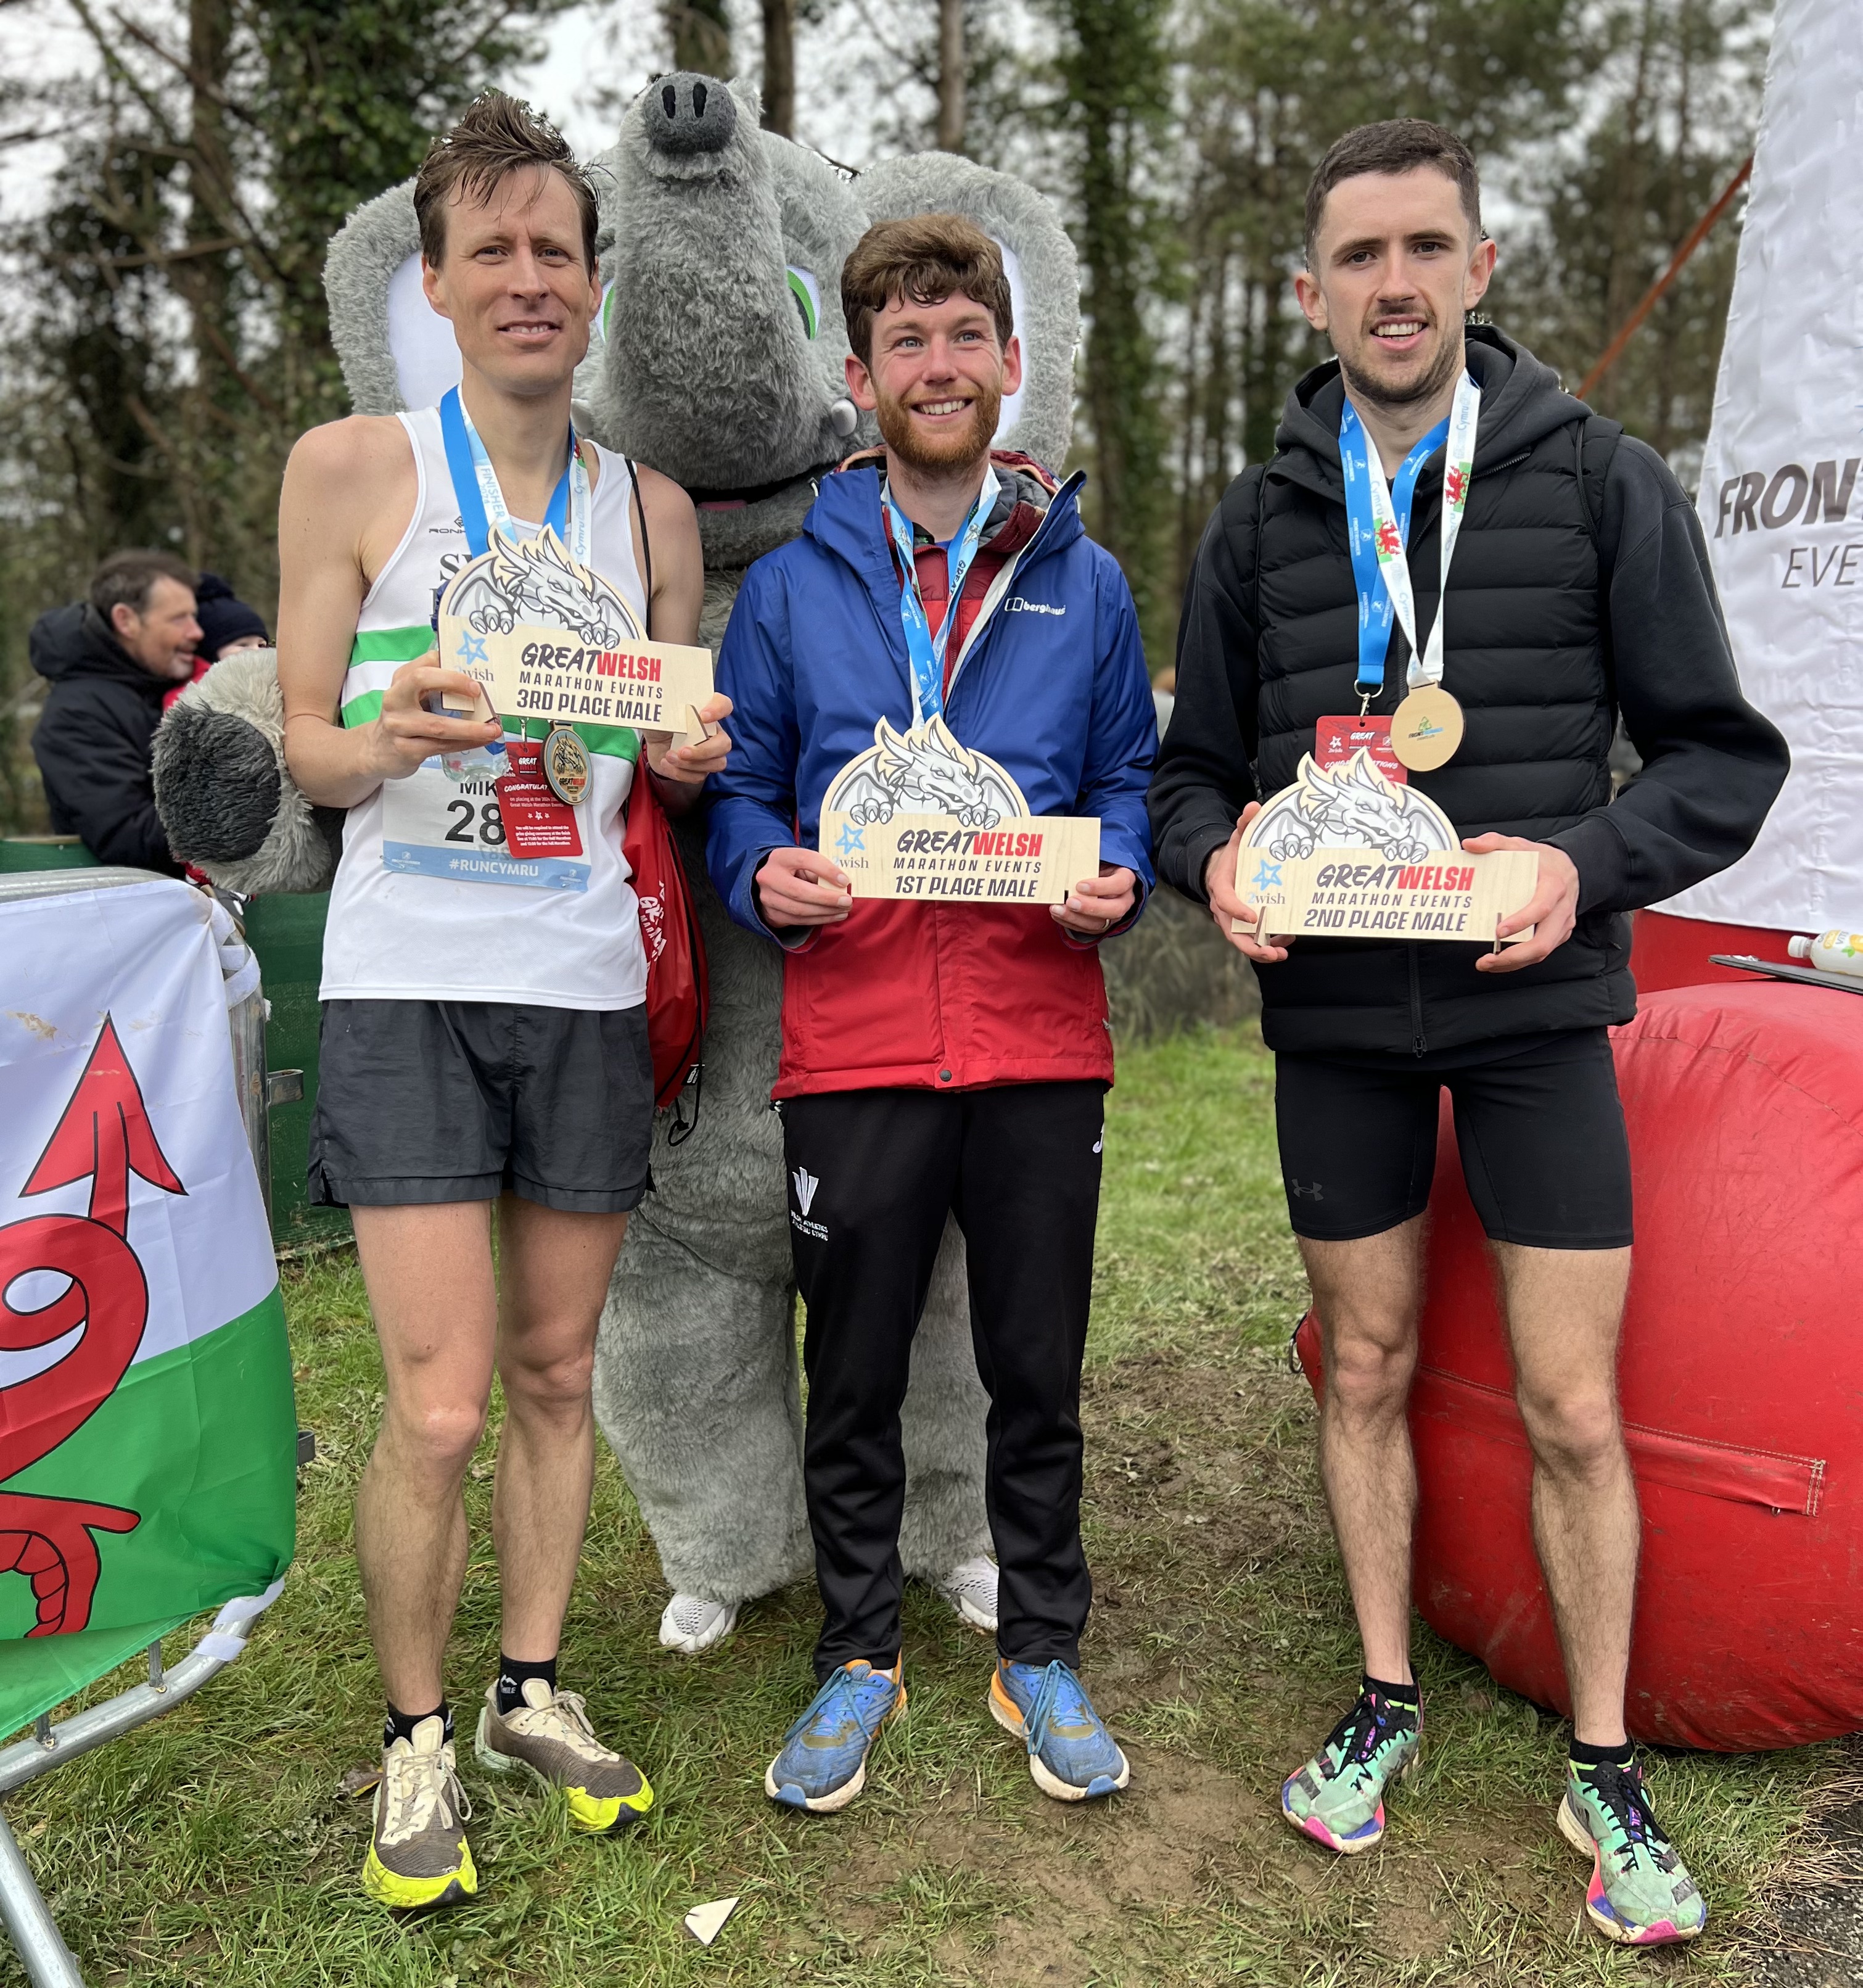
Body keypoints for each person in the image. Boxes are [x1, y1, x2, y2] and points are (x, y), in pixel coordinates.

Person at [1151, 120, 1787, 1947]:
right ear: (1309, 291)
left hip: (1531, 1011)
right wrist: (1214, 861)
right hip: (1338, 1017)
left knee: (1572, 1402)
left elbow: (1717, 761)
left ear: (1477, 268)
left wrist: (1576, 866)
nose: (1394, 284)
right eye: (1358, 255)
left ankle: (1601, 1763)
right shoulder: (1256, 519)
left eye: (1424, 247)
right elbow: (1185, 777)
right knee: (1358, 1367)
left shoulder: (1598, 481)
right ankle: (1381, 1698)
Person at [276, 91, 726, 1912]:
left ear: (591, 284)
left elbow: (670, 747)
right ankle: (413, 1734)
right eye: (493, 251)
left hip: (583, 983)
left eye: (555, 248)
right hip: (407, 982)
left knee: (555, 1374)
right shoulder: (351, 468)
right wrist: (380, 734)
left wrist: (688, 752)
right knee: (442, 1405)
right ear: (439, 286)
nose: (527, 277)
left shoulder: (652, 510)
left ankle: (530, 1688)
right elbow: (305, 745)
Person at [707, 215, 1156, 1814]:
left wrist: (1119, 870)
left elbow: (1124, 780)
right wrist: (759, 873)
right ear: (861, 377)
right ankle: (857, 1650)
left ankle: (1040, 1645)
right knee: (853, 1371)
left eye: (965, 335)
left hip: (1037, 1036)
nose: (939, 365)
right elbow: (741, 796)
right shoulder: (787, 588)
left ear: (1008, 363)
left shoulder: (1083, 581)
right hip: (857, 1039)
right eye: (907, 340)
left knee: (1036, 1366)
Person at [30, 549, 201, 870]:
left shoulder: (161, 683)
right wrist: (243, 803)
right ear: (126, 620)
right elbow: (128, 836)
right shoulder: (75, 715)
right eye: (179, 619)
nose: (196, 632)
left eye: (194, 617)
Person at [164, 572, 270, 710]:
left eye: (262, 645)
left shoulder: (273, 687)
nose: (256, 651)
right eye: (243, 645)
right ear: (209, 652)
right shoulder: (189, 698)